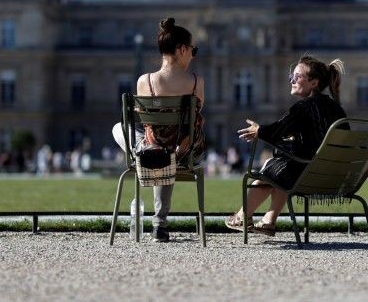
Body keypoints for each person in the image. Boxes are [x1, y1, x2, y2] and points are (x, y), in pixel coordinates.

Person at [226, 55, 346, 236]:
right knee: (284, 167)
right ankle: (268, 221)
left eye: (297, 76)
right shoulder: (337, 109)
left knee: (272, 169)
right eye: (292, 75)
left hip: (308, 177)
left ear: (314, 83)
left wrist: (259, 131)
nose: (292, 80)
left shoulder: (303, 107)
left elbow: (277, 130)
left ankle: (243, 216)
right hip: (335, 177)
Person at [116, 18, 206, 243]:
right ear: (182, 49)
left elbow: (147, 123)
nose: (193, 55)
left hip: (156, 146)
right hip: (188, 151)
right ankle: (159, 225)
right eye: (192, 50)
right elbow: (196, 120)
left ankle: (144, 151)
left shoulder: (144, 81)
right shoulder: (196, 82)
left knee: (121, 128)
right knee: (168, 152)